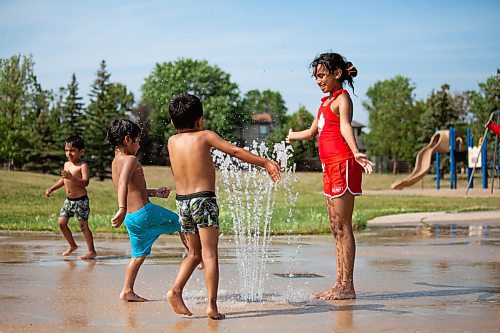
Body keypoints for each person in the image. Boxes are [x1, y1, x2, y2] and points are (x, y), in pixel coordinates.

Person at [166, 93, 281, 320]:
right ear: (199, 120)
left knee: (194, 253)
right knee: (209, 254)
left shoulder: (171, 141)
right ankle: (211, 306)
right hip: (204, 200)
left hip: (182, 202)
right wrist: (265, 162)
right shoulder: (205, 136)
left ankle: (175, 291)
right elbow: (235, 152)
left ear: (172, 122)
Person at [286, 52, 373, 300]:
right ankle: (339, 283)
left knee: (343, 227)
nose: (318, 80)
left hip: (343, 165)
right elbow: (314, 131)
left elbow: (345, 126)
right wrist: (293, 135)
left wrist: (356, 152)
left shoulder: (342, 99)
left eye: (322, 75)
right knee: (335, 227)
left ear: (337, 74)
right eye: (315, 76)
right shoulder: (325, 102)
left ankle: (347, 285)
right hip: (329, 168)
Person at [107, 119, 188, 302]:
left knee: (138, 255)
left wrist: (154, 192)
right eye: (137, 140)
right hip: (145, 213)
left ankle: (127, 290)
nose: (139, 144)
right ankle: (194, 255)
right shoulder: (131, 159)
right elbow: (122, 184)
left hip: (132, 218)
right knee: (182, 222)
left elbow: (129, 187)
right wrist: (121, 207)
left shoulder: (115, 162)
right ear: (127, 139)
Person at [45, 135, 97, 260]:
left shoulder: (82, 166)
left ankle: (91, 251)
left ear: (81, 152)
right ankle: (72, 245)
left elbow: (85, 182)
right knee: (61, 223)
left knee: (83, 226)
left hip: (81, 201)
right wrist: (52, 188)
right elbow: (63, 180)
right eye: (67, 150)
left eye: (72, 150)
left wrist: (72, 178)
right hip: (69, 201)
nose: (69, 153)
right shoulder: (66, 164)